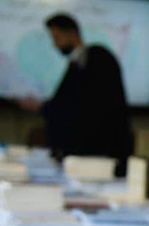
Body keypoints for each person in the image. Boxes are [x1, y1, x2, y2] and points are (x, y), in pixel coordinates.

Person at [18, 13, 132, 172]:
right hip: (83, 156)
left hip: (96, 156)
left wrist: (44, 107)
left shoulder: (97, 58)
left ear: (72, 33)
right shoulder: (80, 62)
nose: (55, 45)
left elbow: (81, 106)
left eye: (57, 37)